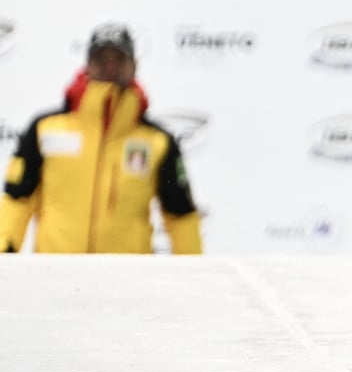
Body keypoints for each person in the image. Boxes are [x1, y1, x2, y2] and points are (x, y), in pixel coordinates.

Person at [0, 23, 203, 254]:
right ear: (87, 65)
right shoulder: (45, 129)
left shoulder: (157, 141)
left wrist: (195, 274)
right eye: (101, 59)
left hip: (128, 281)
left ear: (134, 66)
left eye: (119, 59)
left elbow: (181, 215)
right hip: (56, 276)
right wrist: (4, 253)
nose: (110, 67)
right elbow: (17, 199)